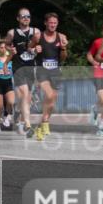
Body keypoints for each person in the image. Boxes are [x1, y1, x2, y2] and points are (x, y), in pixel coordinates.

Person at [31, 12, 68, 141]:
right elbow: (28, 50)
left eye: (55, 23)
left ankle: (43, 123)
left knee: (52, 102)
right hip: (42, 70)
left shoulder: (61, 37)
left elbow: (63, 59)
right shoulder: (37, 36)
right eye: (50, 22)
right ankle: (44, 123)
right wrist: (34, 50)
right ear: (45, 23)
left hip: (56, 71)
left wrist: (63, 49)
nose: (52, 25)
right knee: (49, 95)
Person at [5, 7, 39, 136]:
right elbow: (6, 44)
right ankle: (28, 125)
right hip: (18, 67)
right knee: (25, 94)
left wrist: (37, 49)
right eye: (23, 16)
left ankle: (18, 111)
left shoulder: (36, 32)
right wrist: (10, 50)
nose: (26, 18)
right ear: (18, 18)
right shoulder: (12, 33)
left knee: (27, 98)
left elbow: (40, 45)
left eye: (28, 16)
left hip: (31, 67)